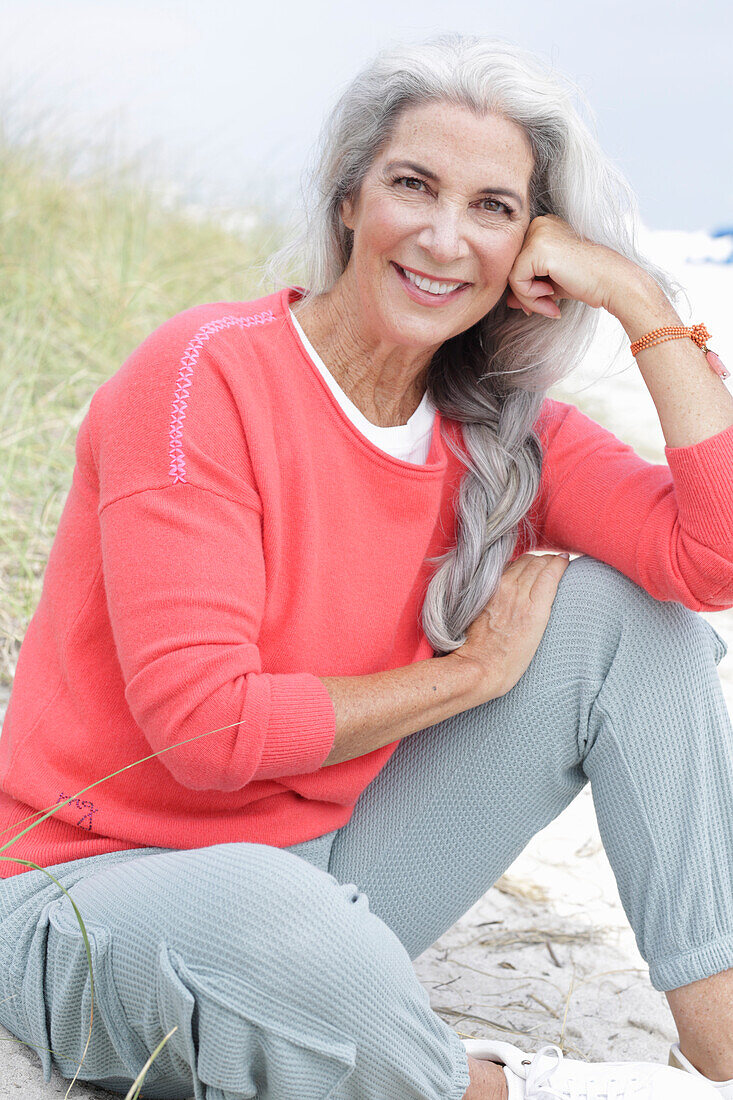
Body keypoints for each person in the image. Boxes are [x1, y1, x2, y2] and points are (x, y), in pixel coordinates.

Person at [0, 30, 731, 1100]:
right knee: (281, 930)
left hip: (327, 865)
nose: (443, 236)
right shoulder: (206, 375)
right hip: (87, 892)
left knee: (635, 621)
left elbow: (709, 558)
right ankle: (491, 1086)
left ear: (530, 247)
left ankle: (720, 1041)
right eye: (412, 184)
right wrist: (469, 674)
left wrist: (637, 301)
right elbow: (207, 731)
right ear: (349, 199)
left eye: (491, 207)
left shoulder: (500, 433)